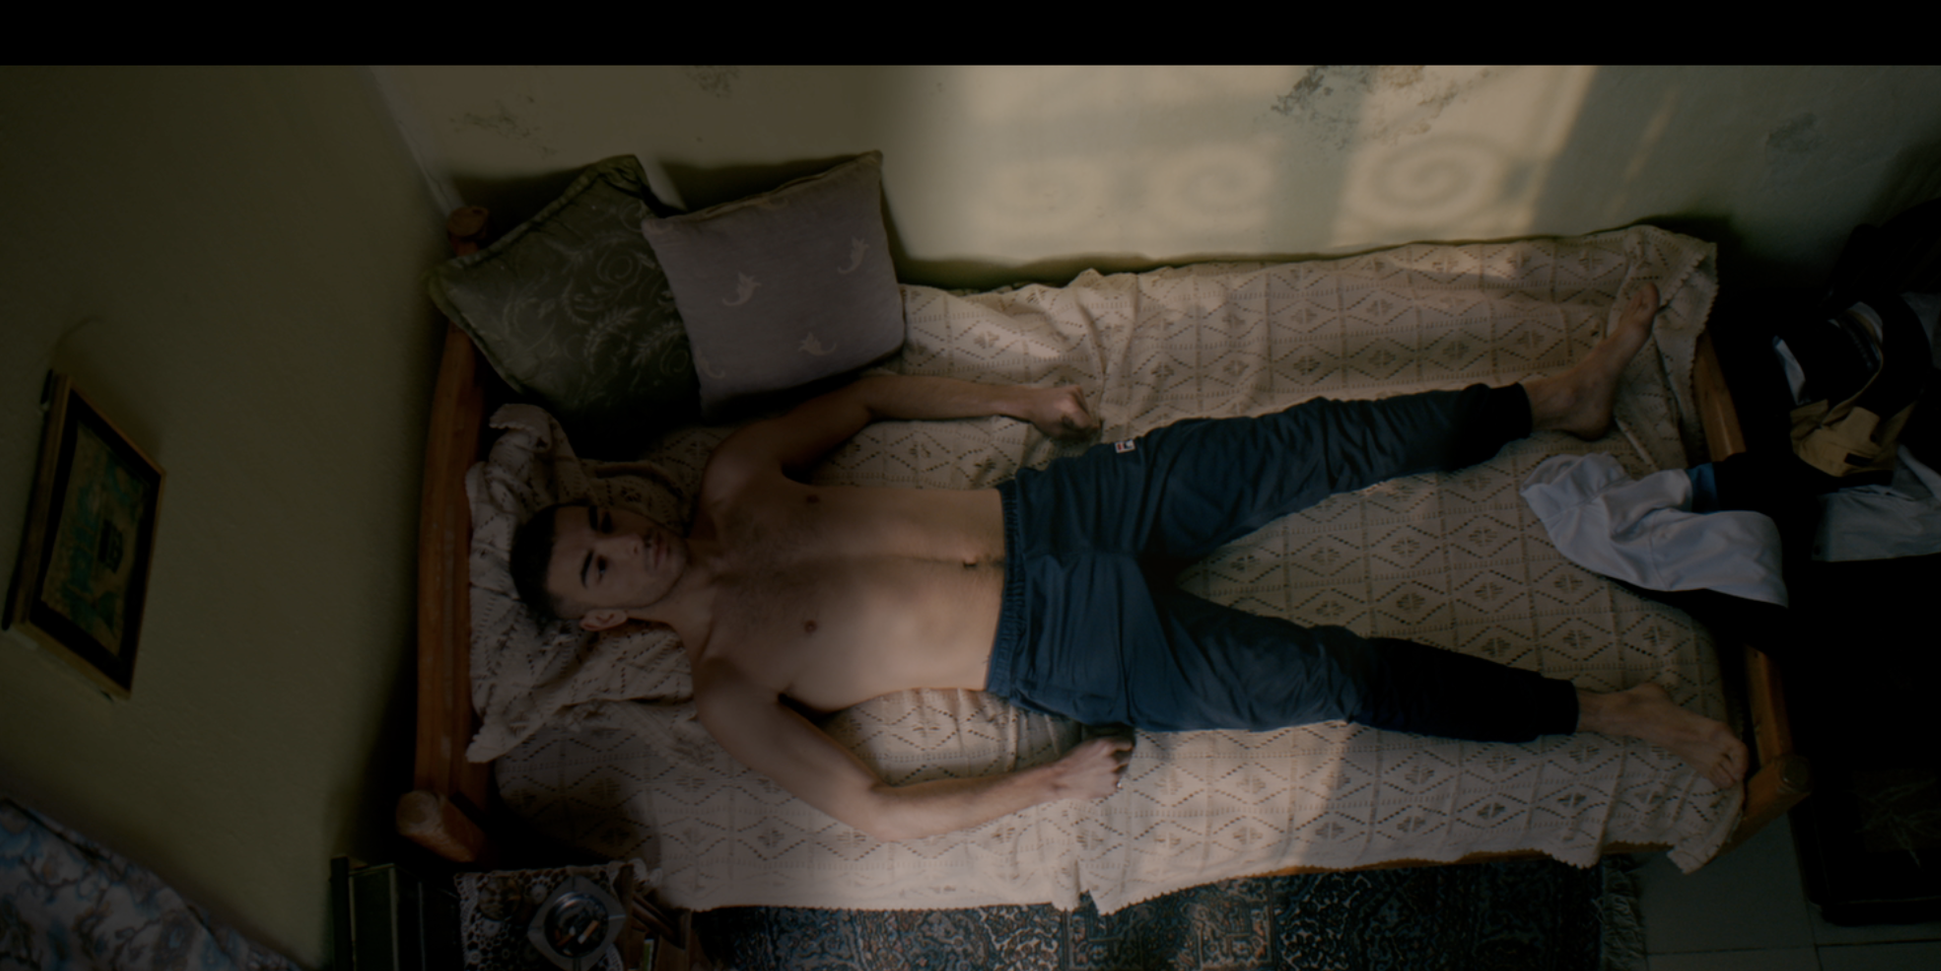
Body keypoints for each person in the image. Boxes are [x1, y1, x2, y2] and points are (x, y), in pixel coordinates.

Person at [512, 283, 1747, 843]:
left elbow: (871, 395)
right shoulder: (728, 689)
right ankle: (1613, 712)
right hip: (1060, 645)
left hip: (1062, 506)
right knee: (1339, 677)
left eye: (602, 524)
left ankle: (1559, 397)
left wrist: (1022, 399)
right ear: (601, 624)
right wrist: (1041, 788)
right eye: (599, 570)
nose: (628, 542)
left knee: (1316, 441)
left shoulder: (735, 477)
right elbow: (876, 810)